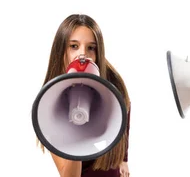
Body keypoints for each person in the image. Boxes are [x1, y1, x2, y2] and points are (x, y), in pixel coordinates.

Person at [36, 14, 131, 177]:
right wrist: (75, 129)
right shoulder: (49, 103)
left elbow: (124, 118)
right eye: (74, 46)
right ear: (61, 51)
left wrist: (124, 159)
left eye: (91, 48)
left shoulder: (114, 85)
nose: (82, 55)